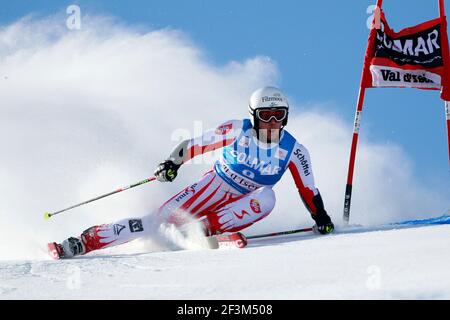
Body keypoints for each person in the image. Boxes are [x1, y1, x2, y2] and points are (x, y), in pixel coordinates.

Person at [48, 86, 334, 259]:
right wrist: (172, 163)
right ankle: (83, 243)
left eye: (279, 115)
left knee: (268, 196)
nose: (272, 122)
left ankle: (206, 230)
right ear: (253, 116)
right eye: (265, 116)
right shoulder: (238, 130)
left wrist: (321, 218)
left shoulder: (295, 151)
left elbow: (308, 189)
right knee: (153, 224)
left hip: (242, 202)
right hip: (211, 187)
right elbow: (195, 145)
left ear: (287, 116)